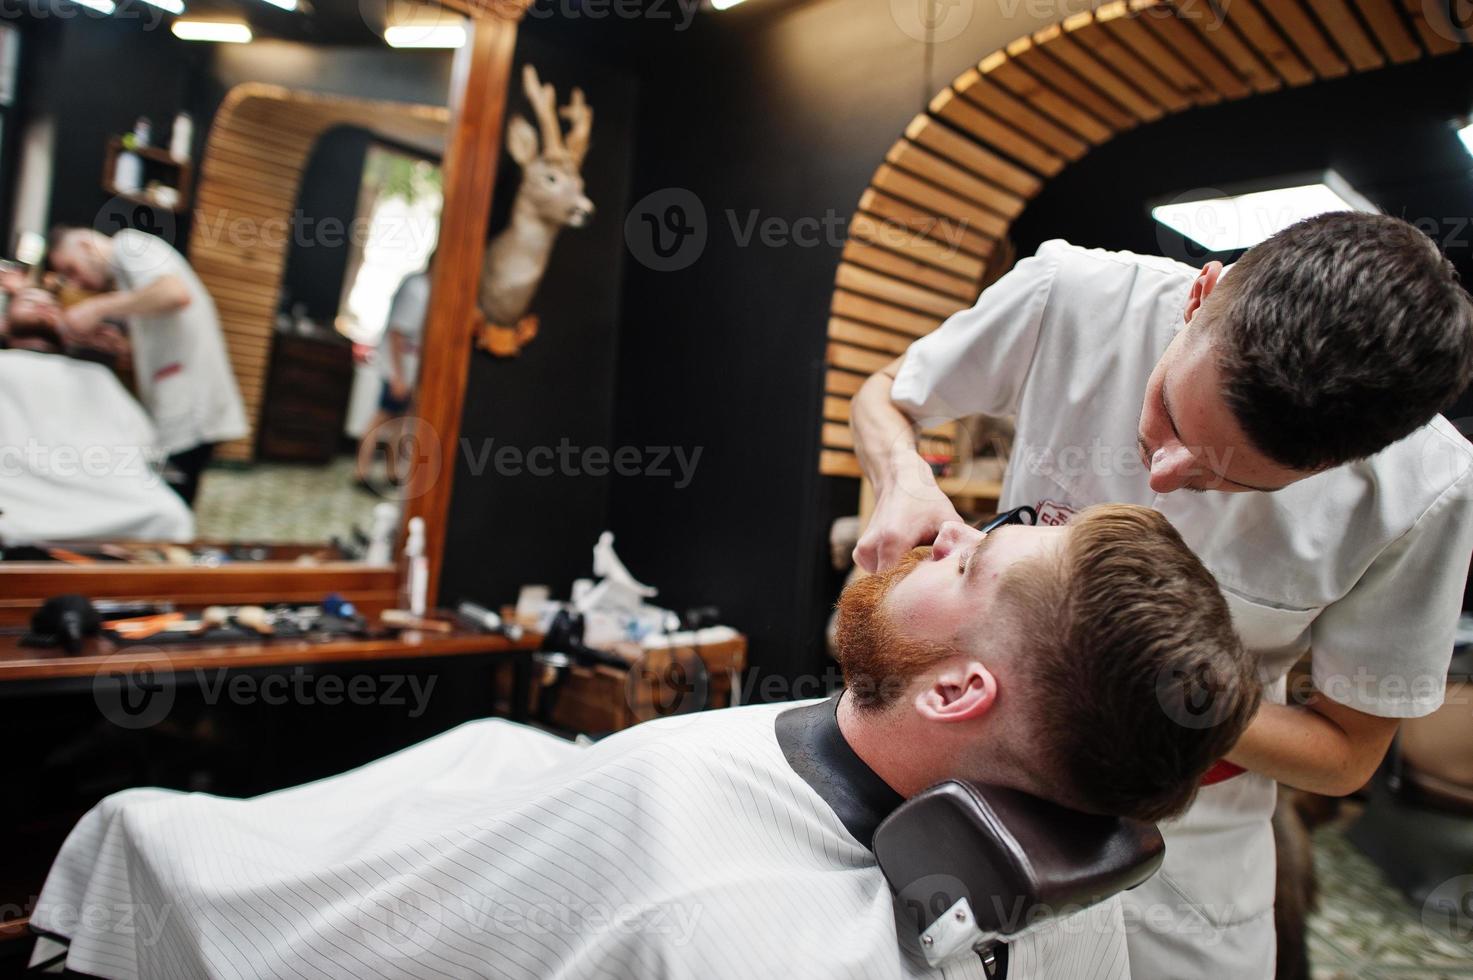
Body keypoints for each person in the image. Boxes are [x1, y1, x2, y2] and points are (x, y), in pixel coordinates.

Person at [30, 504, 1259, 979]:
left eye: (974, 560)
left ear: (956, 695)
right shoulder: (1077, 916)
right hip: (519, 798)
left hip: (366, 887)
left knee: (145, 826)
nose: (941, 535)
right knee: (497, 755)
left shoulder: (703, 918)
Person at [850, 212, 1473, 976]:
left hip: (1190, 851)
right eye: (1170, 416)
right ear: (1201, 294)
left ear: (1340, 464)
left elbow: (1345, 755)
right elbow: (886, 396)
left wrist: (1158, 685)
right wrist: (902, 476)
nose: (1164, 475)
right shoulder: (1069, 295)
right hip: (977, 783)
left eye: (1225, 478)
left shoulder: (1425, 492)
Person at [47, 226, 247, 506]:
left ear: (85, 244)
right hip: (181, 401)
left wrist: (97, 307)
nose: (76, 282)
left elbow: (174, 294)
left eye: (71, 269)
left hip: (191, 404)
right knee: (171, 493)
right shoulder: (125, 276)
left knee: (172, 497)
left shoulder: (129, 245)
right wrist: (124, 345)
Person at [356, 264, 431, 488]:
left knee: (401, 421)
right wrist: (399, 377)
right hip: (399, 367)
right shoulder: (416, 288)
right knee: (381, 418)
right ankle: (361, 473)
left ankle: (392, 473)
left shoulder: (425, 286)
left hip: (409, 367)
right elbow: (398, 333)